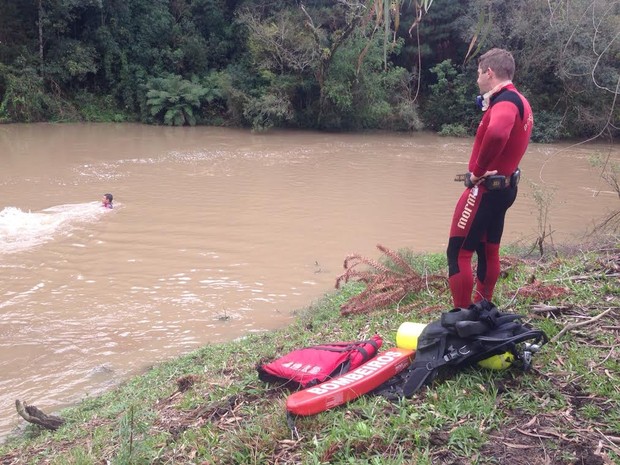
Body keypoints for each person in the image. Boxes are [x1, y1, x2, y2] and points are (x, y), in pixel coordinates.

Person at [446, 48, 533, 309]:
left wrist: (478, 171)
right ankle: (482, 308)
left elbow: (496, 134)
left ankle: (461, 317)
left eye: (478, 73)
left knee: (458, 252)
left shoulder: (506, 102)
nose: (477, 79)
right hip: (505, 188)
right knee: (488, 249)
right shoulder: (521, 101)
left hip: (484, 190)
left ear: (489, 73)